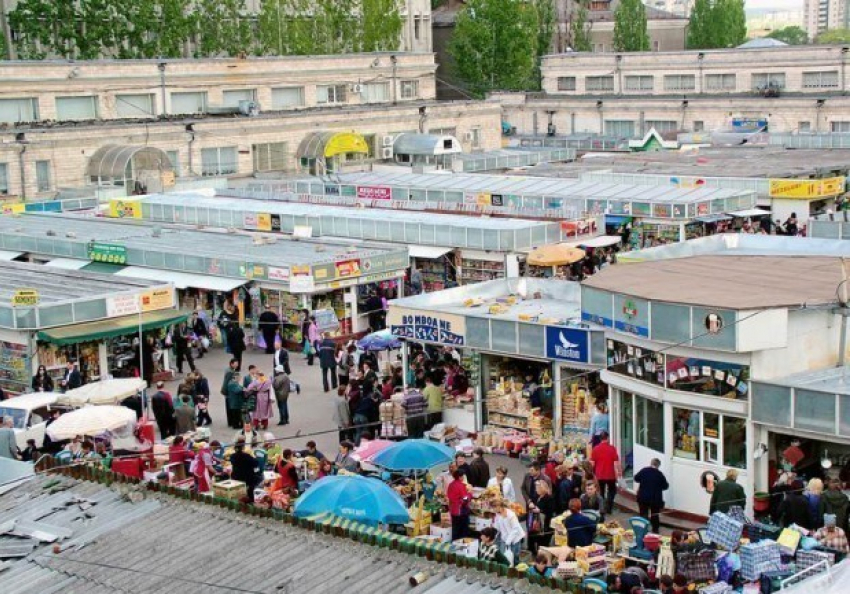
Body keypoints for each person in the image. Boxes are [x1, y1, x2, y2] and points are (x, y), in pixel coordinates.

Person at [634, 458, 669, 533]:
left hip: (643, 497)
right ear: (658, 465)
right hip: (655, 498)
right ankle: (655, 530)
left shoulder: (644, 470)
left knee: (643, 513)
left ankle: (643, 530)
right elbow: (665, 486)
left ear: (651, 463)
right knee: (655, 514)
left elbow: (636, 478)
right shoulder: (659, 474)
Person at [590, 431, 620, 515]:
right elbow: (616, 463)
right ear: (607, 438)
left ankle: (602, 508)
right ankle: (609, 507)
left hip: (599, 475)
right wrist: (618, 474)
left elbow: (592, 464)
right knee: (612, 491)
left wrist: (592, 474)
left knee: (601, 492)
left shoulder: (595, 449)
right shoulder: (612, 448)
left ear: (600, 438)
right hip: (610, 475)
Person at [493, 498, 524, 564]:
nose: (493, 509)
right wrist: (493, 535)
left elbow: (515, 529)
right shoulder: (497, 514)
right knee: (503, 557)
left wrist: (508, 541)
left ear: (499, 507)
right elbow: (497, 528)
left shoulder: (511, 515)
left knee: (515, 557)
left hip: (515, 539)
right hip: (505, 538)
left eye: (494, 507)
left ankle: (515, 571)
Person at [527, 480, 555, 553]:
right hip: (535, 523)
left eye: (537, 488)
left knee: (542, 542)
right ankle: (532, 552)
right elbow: (530, 501)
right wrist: (530, 503)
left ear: (542, 489)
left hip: (544, 525)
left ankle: (542, 554)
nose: (536, 490)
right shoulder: (537, 496)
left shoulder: (549, 498)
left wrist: (539, 510)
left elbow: (550, 512)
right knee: (532, 537)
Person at [230, 438, 260, 502]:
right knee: (256, 480)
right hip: (246, 477)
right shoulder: (246, 456)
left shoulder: (232, 456)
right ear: (243, 448)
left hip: (235, 476)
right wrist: (255, 458)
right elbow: (256, 463)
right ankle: (251, 499)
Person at [447, 470, 472, 542]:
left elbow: (449, 495)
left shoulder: (451, 484)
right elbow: (465, 499)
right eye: (463, 476)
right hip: (461, 511)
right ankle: (462, 544)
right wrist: (470, 494)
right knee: (463, 530)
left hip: (453, 510)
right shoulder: (461, 486)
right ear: (460, 477)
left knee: (455, 529)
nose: (463, 477)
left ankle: (454, 543)